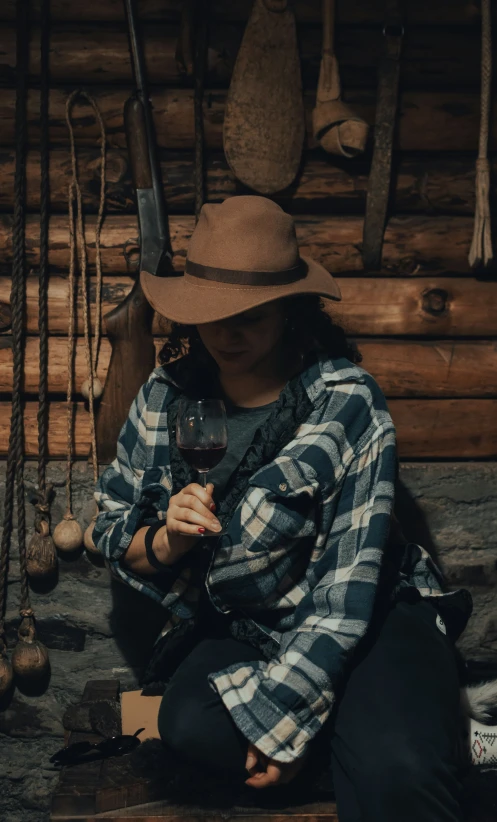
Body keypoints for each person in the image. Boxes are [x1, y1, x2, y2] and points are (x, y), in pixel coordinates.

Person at [92, 196, 473, 821]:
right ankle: (407, 730)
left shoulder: (347, 403)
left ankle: (428, 741)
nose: (228, 333)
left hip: (368, 613)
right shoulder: (167, 395)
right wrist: (165, 542)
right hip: (249, 626)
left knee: (397, 779)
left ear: (292, 310)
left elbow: (346, 587)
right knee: (187, 724)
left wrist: (284, 723)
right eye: (213, 313)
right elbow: (111, 525)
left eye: (252, 314)